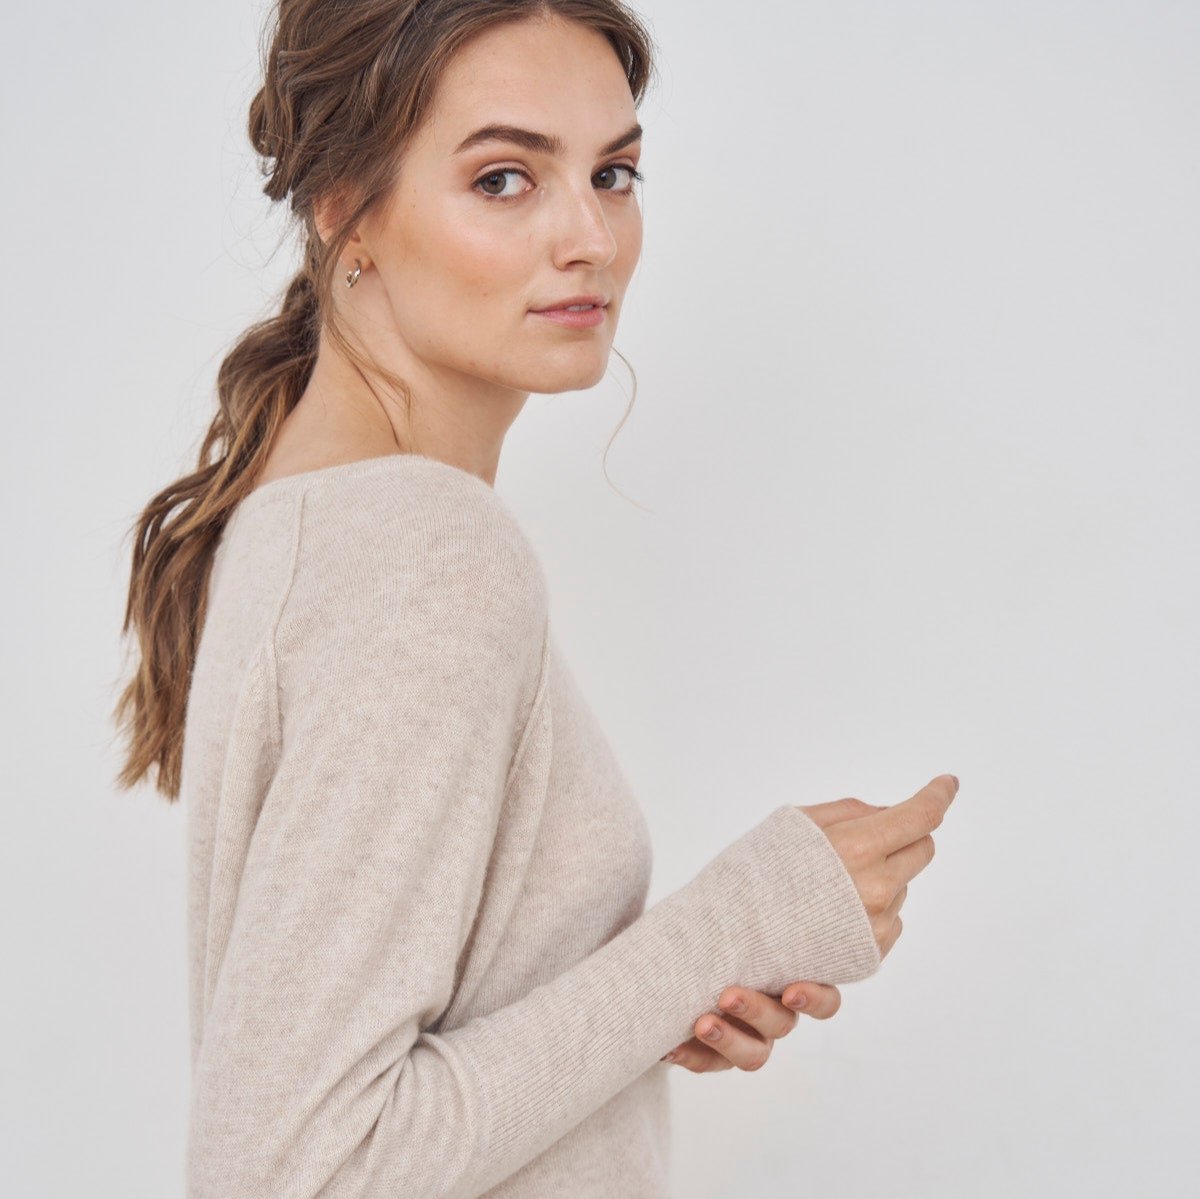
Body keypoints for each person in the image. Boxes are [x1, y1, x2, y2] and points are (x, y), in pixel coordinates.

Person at [111, 2, 959, 1195]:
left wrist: (647, 1007)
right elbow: (298, 1168)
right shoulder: (424, 550)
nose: (590, 237)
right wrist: (735, 921)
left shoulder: (308, 515)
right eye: (504, 179)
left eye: (613, 173)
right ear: (345, 207)